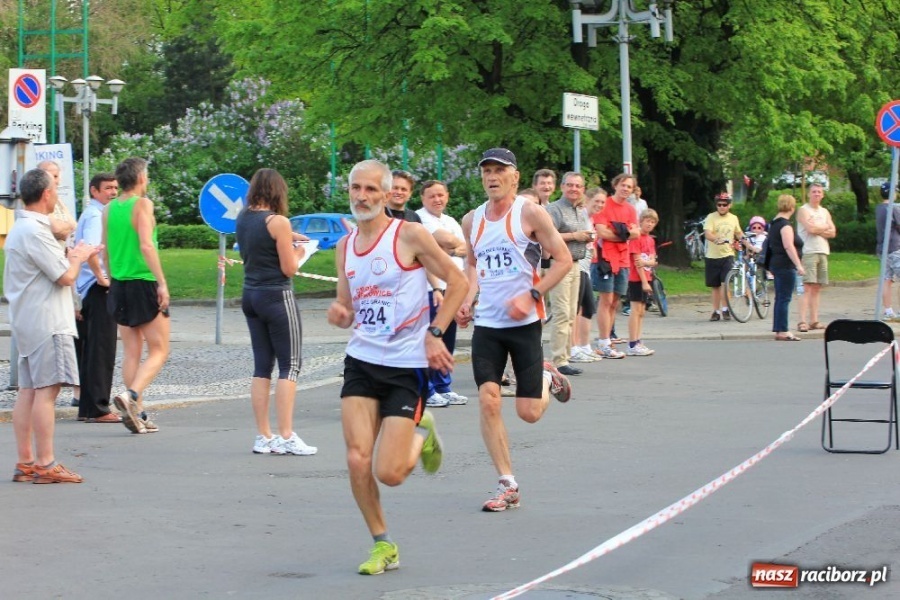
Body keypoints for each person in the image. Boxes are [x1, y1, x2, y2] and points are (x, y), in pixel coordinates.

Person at [328, 159, 467, 575]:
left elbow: (458, 282)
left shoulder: (408, 235)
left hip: (407, 365)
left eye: (372, 190)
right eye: (356, 188)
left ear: (388, 195)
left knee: (389, 473)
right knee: (356, 459)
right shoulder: (345, 246)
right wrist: (340, 311)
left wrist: (436, 333)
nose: (362, 197)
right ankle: (382, 543)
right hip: (362, 360)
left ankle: (421, 435)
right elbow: (347, 305)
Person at [456, 147, 573, 513]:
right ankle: (507, 482)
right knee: (488, 399)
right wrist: (466, 298)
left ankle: (544, 376)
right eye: (486, 171)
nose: (492, 177)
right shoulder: (471, 220)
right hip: (488, 325)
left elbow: (564, 260)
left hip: (524, 324)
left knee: (528, 413)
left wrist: (532, 294)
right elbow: (472, 266)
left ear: (515, 177)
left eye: (499, 171)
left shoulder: (531, 213)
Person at [5, 168, 99, 483]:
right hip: (48, 320)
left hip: (29, 319)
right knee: (48, 390)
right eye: (55, 189)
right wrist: (80, 256)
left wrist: (72, 255)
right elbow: (65, 276)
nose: (57, 194)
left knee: (29, 391)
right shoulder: (36, 231)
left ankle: (26, 461)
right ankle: (45, 463)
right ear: (46, 194)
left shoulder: (21, 228)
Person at [236, 168, 318, 456]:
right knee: (290, 365)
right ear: (278, 191)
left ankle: (264, 436)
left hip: (251, 294)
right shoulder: (278, 221)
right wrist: (302, 251)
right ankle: (286, 435)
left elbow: (262, 237)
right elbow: (289, 268)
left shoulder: (243, 218)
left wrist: (288, 235)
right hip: (277, 296)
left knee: (262, 367)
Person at [104, 157, 170, 434]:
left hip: (119, 283)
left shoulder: (109, 209)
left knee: (132, 351)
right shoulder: (143, 205)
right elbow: (146, 245)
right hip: (143, 282)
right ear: (142, 178)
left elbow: (105, 250)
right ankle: (131, 395)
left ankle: (137, 414)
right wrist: (161, 282)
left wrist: (111, 279)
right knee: (159, 349)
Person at [415, 180, 469, 406]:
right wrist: (450, 247)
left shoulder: (450, 220)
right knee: (431, 338)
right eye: (431, 196)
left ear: (447, 196)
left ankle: (443, 385)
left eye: (440, 195)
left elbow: (466, 247)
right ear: (422, 198)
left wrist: (450, 249)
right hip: (430, 289)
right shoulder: (420, 219)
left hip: (453, 288)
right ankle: (426, 390)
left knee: (448, 339)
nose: (437, 199)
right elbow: (445, 240)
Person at [74, 173, 122, 424]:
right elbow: (91, 250)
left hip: (87, 288)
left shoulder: (92, 213)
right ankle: (99, 408)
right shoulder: (96, 216)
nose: (113, 192)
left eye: (115, 188)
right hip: (97, 288)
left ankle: (88, 408)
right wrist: (102, 278)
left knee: (91, 350)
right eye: (107, 188)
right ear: (94, 191)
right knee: (101, 349)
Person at [546, 172, 596, 374]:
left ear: (583, 189)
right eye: (570, 185)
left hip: (576, 263)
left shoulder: (580, 211)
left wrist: (586, 238)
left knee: (571, 313)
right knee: (561, 312)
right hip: (559, 263)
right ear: (562, 187)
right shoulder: (554, 209)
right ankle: (558, 360)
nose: (574, 189)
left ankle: (565, 357)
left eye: (578, 186)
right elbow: (548, 236)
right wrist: (576, 235)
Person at [594, 173, 640, 358]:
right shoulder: (605, 204)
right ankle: (603, 341)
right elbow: (601, 232)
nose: (625, 189)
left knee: (615, 302)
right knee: (605, 301)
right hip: (605, 258)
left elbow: (636, 232)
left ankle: (609, 340)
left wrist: (620, 233)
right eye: (623, 185)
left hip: (623, 260)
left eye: (629, 187)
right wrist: (622, 234)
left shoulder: (630, 209)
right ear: (615, 185)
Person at [796, 183, 836, 332]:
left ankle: (814, 320)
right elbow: (810, 229)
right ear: (809, 194)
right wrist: (824, 227)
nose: (817, 194)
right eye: (814, 192)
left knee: (817, 287)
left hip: (823, 250)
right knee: (807, 286)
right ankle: (802, 321)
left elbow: (833, 232)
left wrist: (821, 229)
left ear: (823, 195)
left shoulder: (824, 212)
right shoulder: (803, 211)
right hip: (809, 251)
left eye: (819, 192)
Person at [704, 192, 749, 321]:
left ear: (729, 205)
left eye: (725, 205)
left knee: (726, 283)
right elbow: (708, 233)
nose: (722, 207)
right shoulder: (711, 217)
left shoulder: (733, 218)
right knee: (715, 285)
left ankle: (725, 309)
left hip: (727, 254)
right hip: (712, 256)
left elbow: (739, 233)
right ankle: (716, 311)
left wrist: (746, 242)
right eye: (719, 205)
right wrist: (715, 238)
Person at [768, 194, 805, 341]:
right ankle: (783, 330)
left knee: (779, 298)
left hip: (776, 263)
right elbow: (789, 246)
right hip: (785, 265)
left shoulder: (774, 224)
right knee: (784, 298)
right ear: (791, 207)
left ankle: (779, 328)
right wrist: (798, 265)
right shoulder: (785, 225)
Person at [625, 209, 659, 356]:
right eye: (647, 221)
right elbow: (638, 262)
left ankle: (638, 340)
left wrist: (648, 262)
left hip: (647, 276)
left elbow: (653, 260)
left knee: (642, 312)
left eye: (652, 222)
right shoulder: (636, 238)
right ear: (641, 221)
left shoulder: (650, 240)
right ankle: (632, 342)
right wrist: (644, 282)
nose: (649, 224)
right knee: (636, 310)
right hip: (636, 278)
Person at [876, 181, 900, 320]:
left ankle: (888, 310)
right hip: (895, 248)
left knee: (887, 279)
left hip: (883, 249)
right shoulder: (893, 209)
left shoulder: (879, 208)